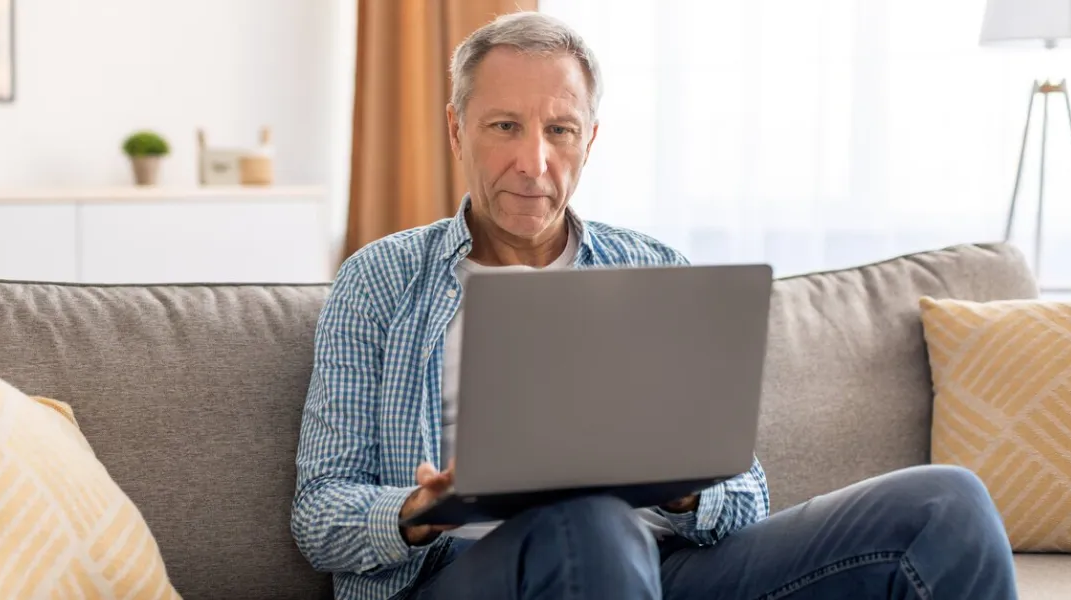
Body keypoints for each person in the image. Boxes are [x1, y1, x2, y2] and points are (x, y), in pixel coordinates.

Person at [291, 10, 1018, 600]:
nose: (533, 162)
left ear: (590, 140)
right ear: (457, 130)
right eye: (504, 126)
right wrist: (422, 513)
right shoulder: (380, 282)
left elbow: (747, 491)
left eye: (559, 130)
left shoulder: (654, 268)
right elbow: (318, 514)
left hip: (669, 568)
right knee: (583, 522)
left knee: (946, 507)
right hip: (469, 577)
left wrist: (681, 494)